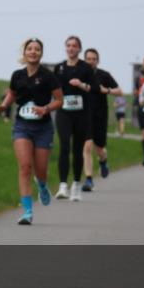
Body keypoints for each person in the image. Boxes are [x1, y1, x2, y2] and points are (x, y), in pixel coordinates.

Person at [0, 38, 63, 224]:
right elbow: (12, 94)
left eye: (37, 49)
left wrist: (46, 109)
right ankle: (27, 212)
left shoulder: (48, 76)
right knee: (25, 167)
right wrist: (3, 106)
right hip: (22, 126)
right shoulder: (17, 75)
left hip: (43, 128)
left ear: (41, 53)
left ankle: (42, 185)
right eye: (30, 49)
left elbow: (59, 100)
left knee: (40, 171)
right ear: (24, 53)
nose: (33, 52)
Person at [53, 36, 96, 202]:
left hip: (81, 113)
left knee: (78, 149)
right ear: (66, 48)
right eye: (68, 46)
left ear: (79, 49)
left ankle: (76, 185)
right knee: (64, 146)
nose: (71, 48)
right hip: (64, 112)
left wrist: (80, 84)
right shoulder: (59, 68)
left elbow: (93, 88)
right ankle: (63, 185)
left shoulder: (86, 68)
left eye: (74, 46)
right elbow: (54, 89)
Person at [81, 48, 122, 191]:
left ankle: (103, 161)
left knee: (99, 149)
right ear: (84, 60)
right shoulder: (80, 74)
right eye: (89, 59)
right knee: (87, 146)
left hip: (100, 115)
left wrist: (108, 90)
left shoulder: (104, 75)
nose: (91, 61)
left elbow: (120, 91)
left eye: (94, 59)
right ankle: (89, 180)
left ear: (97, 60)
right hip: (84, 115)